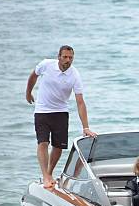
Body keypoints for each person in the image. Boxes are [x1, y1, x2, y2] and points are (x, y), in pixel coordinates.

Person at [26, 45, 96, 189]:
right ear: (58, 56)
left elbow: (80, 102)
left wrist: (86, 127)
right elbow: (33, 76)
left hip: (60, 112)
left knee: (58, 147)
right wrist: (28, 92)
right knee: (43, 143)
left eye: (71, 58)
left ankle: (50, 173)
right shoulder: (46, 65)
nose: (68, 60)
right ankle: (45, 176)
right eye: (65, 57)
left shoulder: (75, 74)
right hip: (42, 111)